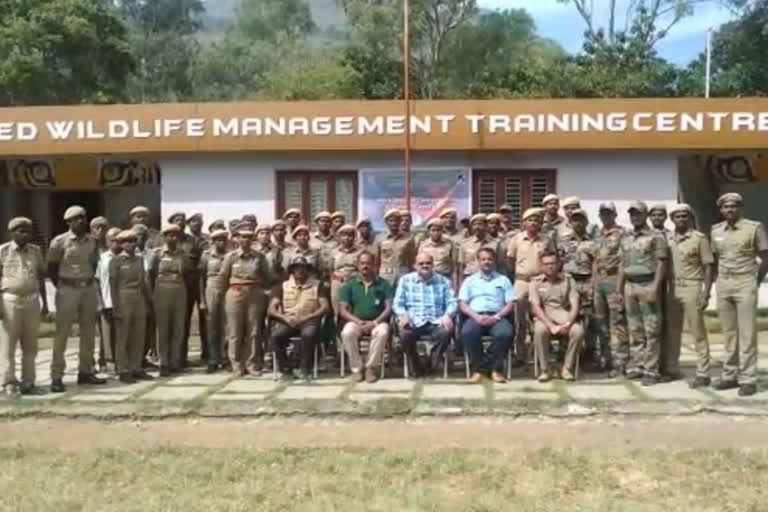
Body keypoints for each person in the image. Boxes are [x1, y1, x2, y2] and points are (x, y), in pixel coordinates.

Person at [711, 192, 768, 396]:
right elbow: (715, 259)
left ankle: (748, 379)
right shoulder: (716, 230)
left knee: (747, 333)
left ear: (740, 208)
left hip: (745, 282)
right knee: (729, 333)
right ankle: (729, 375)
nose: (730, 210)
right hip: (724, 283)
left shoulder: (754, 228)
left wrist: (756, 280)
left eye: (733, 206)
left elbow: (765, 257)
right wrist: (716, 281)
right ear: (721, 210)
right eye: (726, 207)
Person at [47, 205, 104, 392]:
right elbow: (52, 268)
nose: (81, 220)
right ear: (69, 222)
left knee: (88, 332)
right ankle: (57, 376)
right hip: (67, 289)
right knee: (62, 333)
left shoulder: (92, 241)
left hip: (87, 288)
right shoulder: (59, 241)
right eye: (76, 218)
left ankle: (85, 372)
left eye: (83, 217)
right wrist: (63, 285)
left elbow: (94, 263)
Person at [617, 201, 668, 386]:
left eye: (638, 214)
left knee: (652, 329)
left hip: (648, 284)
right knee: (635, 329)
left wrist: (655, 287)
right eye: (632, 214)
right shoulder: (626, 237)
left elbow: (662, 263)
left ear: (645, 215)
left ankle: (651, 370)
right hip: (630, 286)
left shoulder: (656, 236)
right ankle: (638, 365)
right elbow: (622, 264)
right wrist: (619, 290)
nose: (635, 217)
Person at [666, 203, 714, 389]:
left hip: (692, 286)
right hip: (672, 288)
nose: (681, 219)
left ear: (690, 218)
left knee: (698, 332)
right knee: (672, 332)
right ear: (672, 219)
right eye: (677, 216)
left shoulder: (699, 239)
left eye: (684, 216)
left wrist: (706, 293)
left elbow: (708, 266)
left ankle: (703, 372)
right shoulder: (667, 238)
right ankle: (672, 368)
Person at [0, 217, 48, 396]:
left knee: (30, 346)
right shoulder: (3, 251)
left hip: (32, 301)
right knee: (8, 345)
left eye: (27, 231)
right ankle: (9, 382)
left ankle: (29, 382)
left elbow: (41, 277)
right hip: (10, 301)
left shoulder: (35, 251)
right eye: (20, 230)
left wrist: (45, 303)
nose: (25, 234)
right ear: (12, 233)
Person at [393, 253, 457, 378]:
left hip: (436, 320)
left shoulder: (443, 281)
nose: (425, 266)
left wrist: (448, 315)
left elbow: (452, 302)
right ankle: (416, 366)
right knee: (405, 334)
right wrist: (403, 315)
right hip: (413, 320)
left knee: (447, 331)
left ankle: (431, 362)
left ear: (433, 265)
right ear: (415, 266)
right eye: (421, 263)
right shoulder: (405, 280)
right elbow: (397, 303)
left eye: (428, 263)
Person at [458, 247, 516, 384]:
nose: (486, 262)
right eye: (483, 259)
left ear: (494, 261)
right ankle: (478, 371)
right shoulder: (469, 281)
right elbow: (462, 304)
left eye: (489, 259)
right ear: (478, 261)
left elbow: (510, 304)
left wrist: (496, 317)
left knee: (505, 333)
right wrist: (476, 317)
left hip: (497, 317)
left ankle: (496, 370)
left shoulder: (504, 280)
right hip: (475, 316)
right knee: (468, 332)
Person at [506, 207, 556, 364]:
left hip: (540, 282)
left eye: (537, 220)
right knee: (519, 320)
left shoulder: (546, 240)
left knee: (540, 317)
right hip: (521, 282)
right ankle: (520, 353)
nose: (534, 223)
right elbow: (509, 261)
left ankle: (538, 354)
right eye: (530, 220)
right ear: (524, 223)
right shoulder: (516, 239)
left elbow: (552, 260)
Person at [218, 227, 270, 376]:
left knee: (253, 330)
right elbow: (222, 277)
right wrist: (224, 296)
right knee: (235, 330)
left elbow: (268, 276)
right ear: (237, 239)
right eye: (242, 237)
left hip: (254, 293)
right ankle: (236, 364)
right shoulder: (231, 257)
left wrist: (264, 290)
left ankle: (252, 363)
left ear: (252, 240)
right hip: (235, 292)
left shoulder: (259, 257)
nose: (245, 240)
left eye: (248, 237)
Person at [269, 256, 330, 381]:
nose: (300, 271)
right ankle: (285, 369)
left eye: (303, 268)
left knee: (308, 335)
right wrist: (284, 318)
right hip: (289, 321)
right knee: (276, 336)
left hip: (309, 321)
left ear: (308, 270)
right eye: (297, 268)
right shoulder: (283, 286)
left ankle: (305, 369)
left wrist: (308, 317)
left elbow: (325, 307)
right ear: (292, 271)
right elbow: (271, 309)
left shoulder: (318, 285)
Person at [338, 251, 393, 383]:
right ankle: (357, 369)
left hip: (378, 322)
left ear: (374, 265)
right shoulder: (350, 285)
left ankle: (371, 368)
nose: (365, 266)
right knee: (347, 333)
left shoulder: (383, 284)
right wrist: (358, 321)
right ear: (357, 264)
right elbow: (343, 310)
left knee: (383, 332)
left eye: (368, 263)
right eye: (362, 263)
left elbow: (389, 308)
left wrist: (374, 323)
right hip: (357, 321)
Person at [529, 251, 584, 382]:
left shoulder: (568, 281)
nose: (550, 266)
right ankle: (545, 370)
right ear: (541, 266)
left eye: (553, 263)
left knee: (578, 331)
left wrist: (568, 324)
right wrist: (551, 326)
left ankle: (567, 368)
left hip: (563, 315)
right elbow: (536, 307)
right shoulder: (535, 283)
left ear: (559, 264)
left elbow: (575, 304)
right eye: (546, 264)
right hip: (544, 316)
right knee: (539, 330)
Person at [110, 230, 152, 383]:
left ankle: (136, 367)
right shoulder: (116, 261)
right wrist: (116, 306)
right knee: (123, 336)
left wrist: (147, 302)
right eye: (127, 241)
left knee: (138, 334)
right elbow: (113, 285)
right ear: (121, 244)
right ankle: (123, 369)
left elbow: (143, 282)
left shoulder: (140, 260)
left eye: (134, 241)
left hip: (138, 297)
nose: (131, 244)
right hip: (123, 297)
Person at [148, 223, 191, 376]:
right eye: (169, 235)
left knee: (178, 326)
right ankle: (164, 362)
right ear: (164, 237)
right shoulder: (158, 254)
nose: (172, 237)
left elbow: (187, 272)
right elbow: (151, 274)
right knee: (163, 327)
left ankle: (175, 361)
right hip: (162, 289)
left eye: (175, 235)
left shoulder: (183, 254)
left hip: (179, 288)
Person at [558, 209, 599, 367]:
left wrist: (592, 284)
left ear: (586, 222)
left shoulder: (593, 242)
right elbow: (558, 262)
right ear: (570, 222)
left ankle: (588, 356)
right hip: (568, 282)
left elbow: (596, 264)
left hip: (586, 281)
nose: (578, 223)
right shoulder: (563, 240)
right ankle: (564, 355)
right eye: (575, 220)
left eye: (581, 220)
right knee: (567, 317)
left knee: (589, 320)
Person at [593, 202, 630, 377]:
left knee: (617, 323)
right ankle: (606, 359)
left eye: (608, 214)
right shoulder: (597, 234)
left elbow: (624, 261)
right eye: (603, 214)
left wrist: (620, 288)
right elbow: (595, 259)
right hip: (599, 281)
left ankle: (620, 362)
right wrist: (594, 283)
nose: (605, 216)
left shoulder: (622, 233)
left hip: (614, 279)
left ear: (614, 215)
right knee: (601, 323)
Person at [199, 229, 230, 373]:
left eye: (223, 239)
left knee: (225, 325)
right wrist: (202, 301)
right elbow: (201, 279)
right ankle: (212, 359)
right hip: (211, 288)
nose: (221, 242)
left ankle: (224, 357)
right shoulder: (206, 255)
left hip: (227, 288)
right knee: (211, 326)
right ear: (213, 241)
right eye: (218, 239)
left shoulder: (230, 255)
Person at [96, 227, 121, 374]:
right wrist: (99, 301)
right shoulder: (102, 259)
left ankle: (121, 361)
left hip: (123, 302)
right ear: (107, 242)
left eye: (118, 240)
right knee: (107, 334)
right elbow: (96, 281)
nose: (116, 243)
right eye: (112, 240)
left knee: (120, 334)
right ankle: (108, 361)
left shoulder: (127, 258)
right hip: (107, 301)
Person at [456, 214, 500, 289]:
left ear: (486, 226)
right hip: (470, 280)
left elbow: (500, 265)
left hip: (489, 280)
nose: (477, 227)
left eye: (480, 224)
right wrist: (461, 285)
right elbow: (461, 267)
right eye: (474, 225)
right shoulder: (465, 244)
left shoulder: (495, 244)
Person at [329, 225, 362, 318]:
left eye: (350, 235)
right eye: (344, 235)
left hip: (353, 282)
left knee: (352, 309)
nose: (347, 238)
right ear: (339, 237)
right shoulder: (334, 251)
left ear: (354, 237)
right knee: (337, 309)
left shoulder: (360, 251)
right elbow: (330, 269)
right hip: (337, 283)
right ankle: (336, 329)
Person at [377, 209, 416, 287]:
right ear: (386, 222)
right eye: (391, 221)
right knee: (387, 298)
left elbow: (412, 260)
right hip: (385, 276)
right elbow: (377, 261)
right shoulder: (380, 238)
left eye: (396, 221)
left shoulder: (409, 238)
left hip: (403, 275)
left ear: (400, 222)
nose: (394, 223)